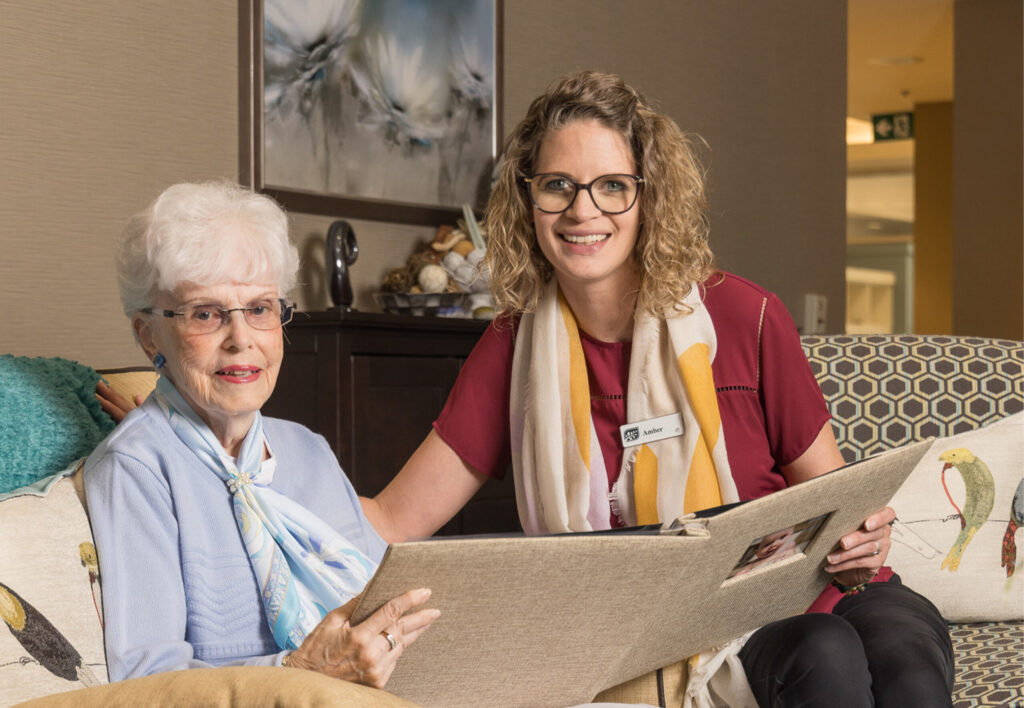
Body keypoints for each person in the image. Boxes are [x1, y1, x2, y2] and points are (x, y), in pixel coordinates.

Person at [357, 71, 954, 706]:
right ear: (527, 201)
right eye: (558, 186)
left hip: (813, 587)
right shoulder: (511, 349)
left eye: (613, 187)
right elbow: (392, 520)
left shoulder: (745, 317)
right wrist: (256, 486)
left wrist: (866, 533)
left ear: (650, 198)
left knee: (909, 670)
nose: (583, 210)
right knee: (823, 657)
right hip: (678, 634)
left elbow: (837, 500)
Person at [84, 181, 439, 686]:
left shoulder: (307, 450)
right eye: (205, 314)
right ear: (149, 335)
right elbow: (149, 678)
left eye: (259, 309)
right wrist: (300, 671)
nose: (241, 340)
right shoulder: (136, 468)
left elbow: (384, 617)